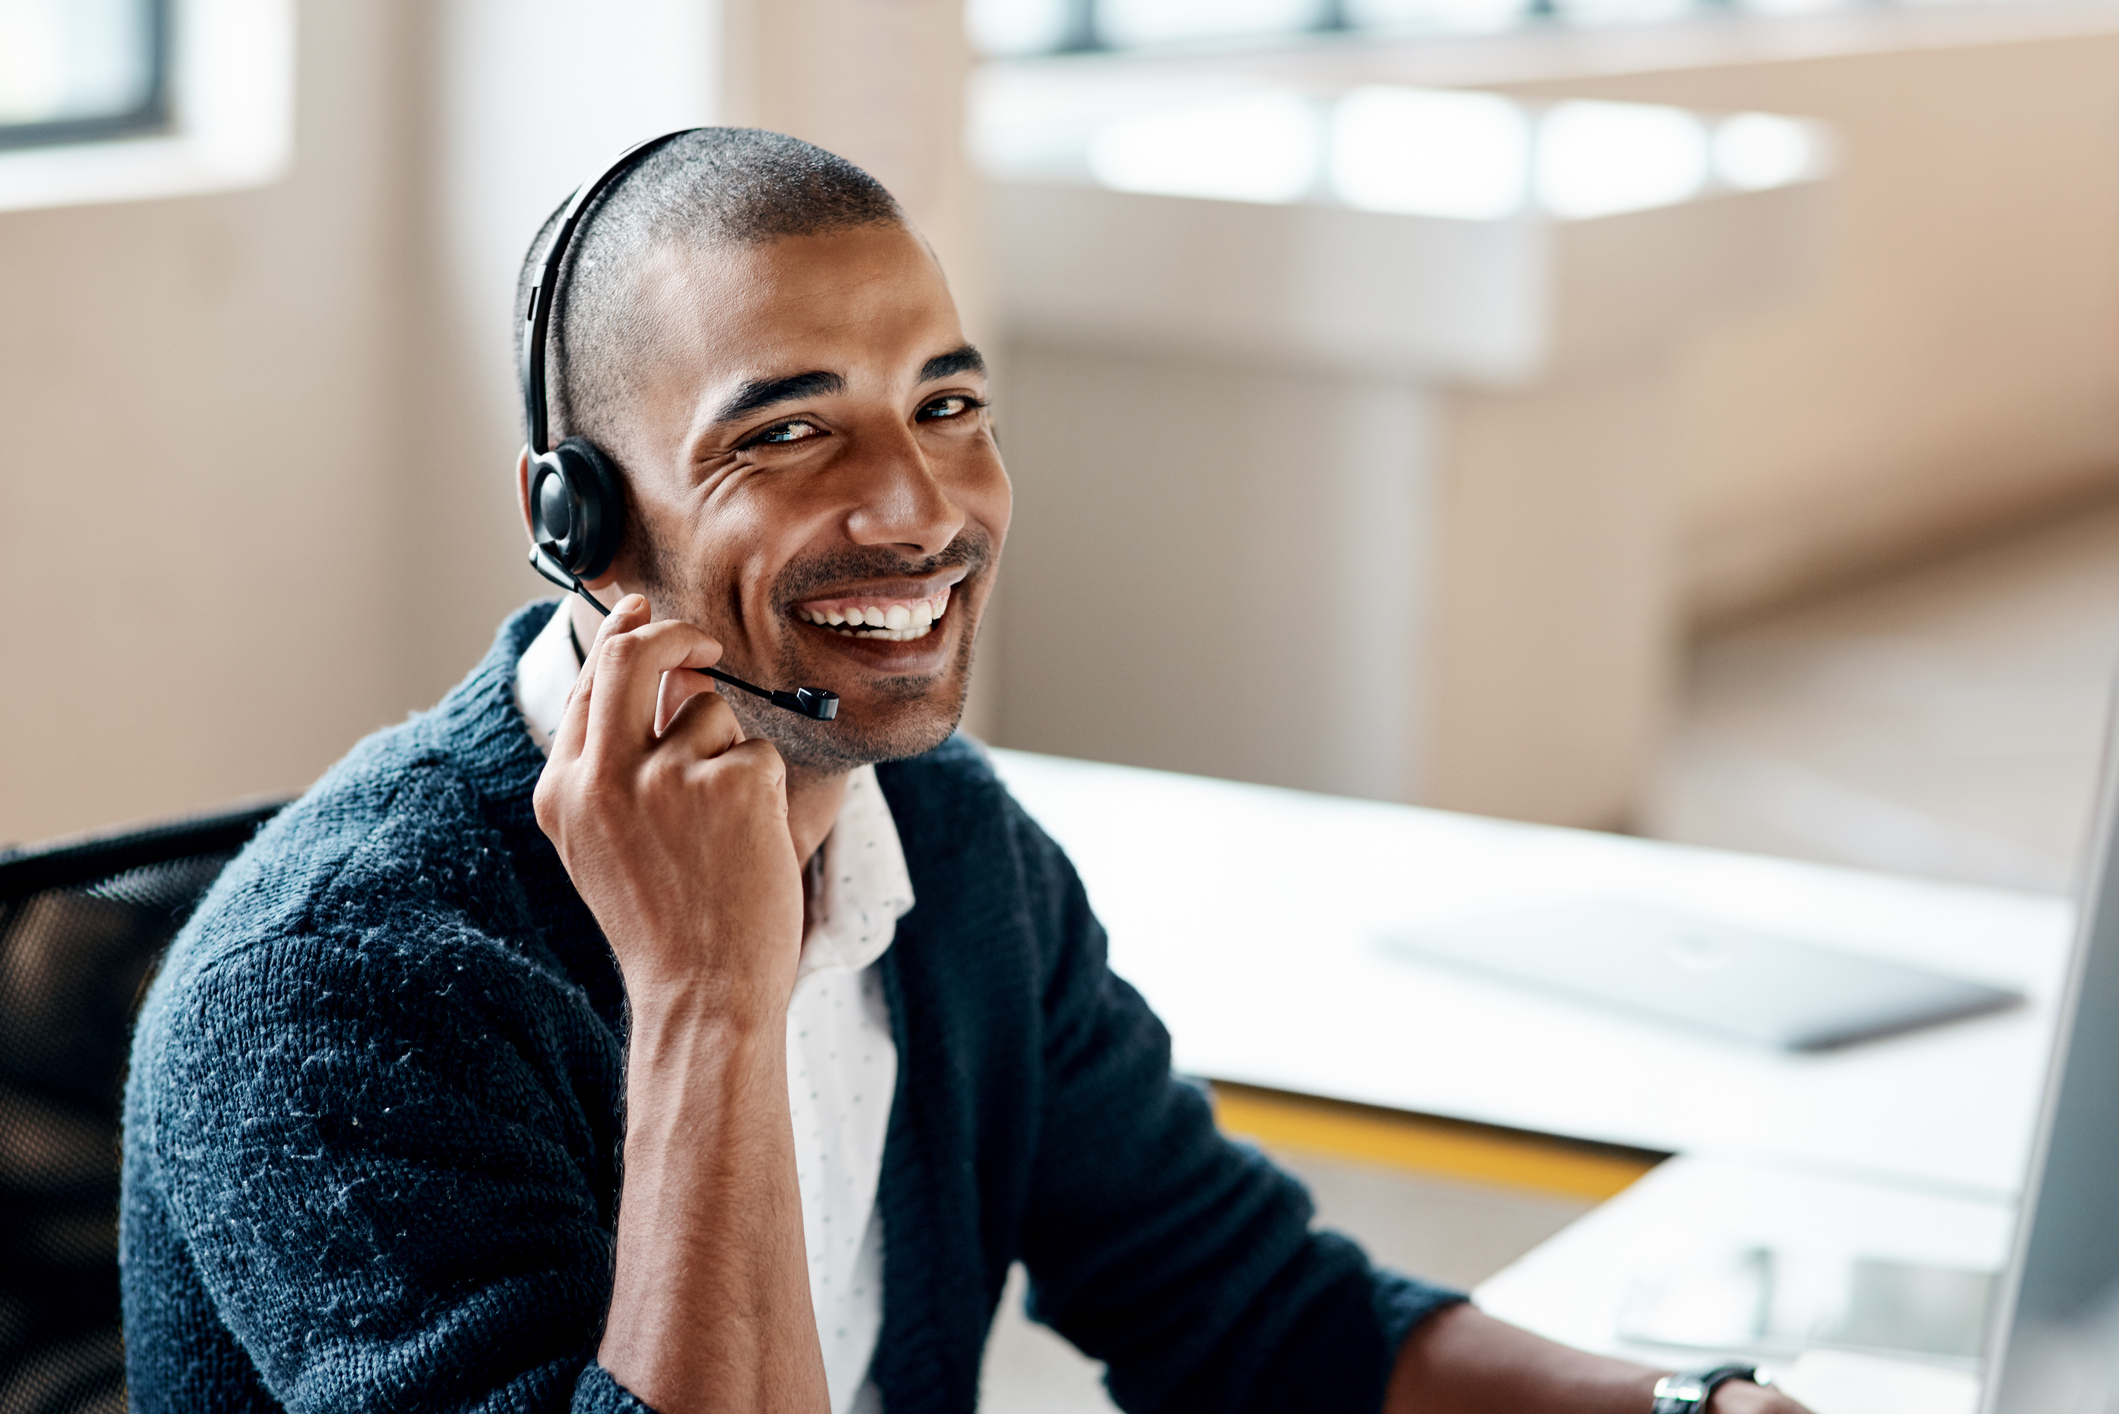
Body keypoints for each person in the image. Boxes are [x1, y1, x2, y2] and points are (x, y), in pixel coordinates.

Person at [120, 128, 1810, 1414]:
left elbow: (1244, 1305)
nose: (916, 508)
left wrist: (1689, 1405)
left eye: (946, 405)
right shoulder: (340, 991)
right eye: (784, 432)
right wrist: (711, 999)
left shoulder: (945, 841)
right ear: (581, 520)